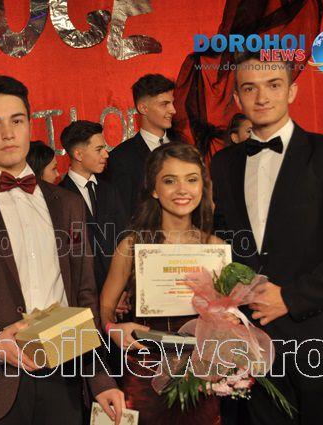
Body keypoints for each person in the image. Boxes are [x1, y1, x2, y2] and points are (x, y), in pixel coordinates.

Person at [0, 75, 124, 425]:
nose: (7, 133)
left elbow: (84, 296)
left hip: (64, 377)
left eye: (16, 121)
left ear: (30, 126)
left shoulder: (68, 204)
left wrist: (100, 378)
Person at [211, 51, 323, 425]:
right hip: (249, 339)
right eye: (249, 88)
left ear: (292, 91)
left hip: (314, 331)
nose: (262, 97)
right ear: (237, 98)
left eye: (273, 85)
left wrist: (291, 297)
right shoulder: (223, 163)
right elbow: (224, 242)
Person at [100, 143, 221, 425]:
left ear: (202, 187)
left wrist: (228, 322)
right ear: (154, 189)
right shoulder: (131, 246)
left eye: (191, 179)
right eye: (169, 180)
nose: (182, 190)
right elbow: (104, 308)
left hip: (201, 374)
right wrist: (113, 328)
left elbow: (223, 314)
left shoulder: (214, 247)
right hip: (145, 372)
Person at [59, 120, 128, 292]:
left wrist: (122, 290)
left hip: (118, 291)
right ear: (79, 154)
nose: (106, 154)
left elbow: (124, 239)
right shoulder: (58, 197)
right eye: (99, 149)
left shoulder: (110, 190)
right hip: (81, 294)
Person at [104, 74, 178, 214]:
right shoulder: (121, 157)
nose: (173, 110)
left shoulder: (184, 148)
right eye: (164, 104)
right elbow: (122, 213)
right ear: (143, 108)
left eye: (172, 103)